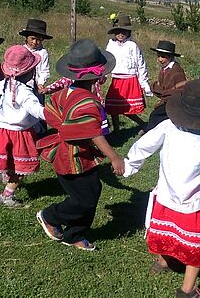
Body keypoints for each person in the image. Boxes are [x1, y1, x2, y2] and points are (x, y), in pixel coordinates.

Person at [122, 79, 200, 298]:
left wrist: (128, 166)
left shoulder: (167, 127)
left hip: (166, 196)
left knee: (168, 232)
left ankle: (163, 262)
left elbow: (143, 146)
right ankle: (187, 290)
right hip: (195, 203)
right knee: (196, 246)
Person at [36, 39, 125, 250]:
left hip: (71, 153)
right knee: (85, 199)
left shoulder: (63, 93)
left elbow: (50, 113)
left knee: (90, 192)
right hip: (73, 157)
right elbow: (94, 133)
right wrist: (114, 158)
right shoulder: (87, 101)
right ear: (98, 74)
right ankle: (51, 215)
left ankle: (74, 234)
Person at [0, 46, 45, 207]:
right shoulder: (24, 92)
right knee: (21, 168)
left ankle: (6, 174)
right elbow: (34, 108)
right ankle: (7, 196)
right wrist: (52, 116)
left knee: (11, 161)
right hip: (20, 133)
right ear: (29, 72)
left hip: (2, 132)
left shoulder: (5, 83)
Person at [104, 14, 152, 133]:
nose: (121, 34)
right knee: (113, 107)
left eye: (124, 32)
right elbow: (106, 61)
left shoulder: (132, 46)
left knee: (127, 108)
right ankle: (116, 131)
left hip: (130, 80)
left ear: (128, 32)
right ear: (115, 32)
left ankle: (142, 124)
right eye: (119, 32)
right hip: (116, 80)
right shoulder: (111, 45)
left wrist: (143, 83)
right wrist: (103, 75)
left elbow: (141, 64)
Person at [146, 40, 187, 131]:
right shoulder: (165, 69)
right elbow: (161, 85)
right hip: (167, 100)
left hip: (175, 102)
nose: (160, 59)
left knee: (155, 116)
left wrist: (165, 94)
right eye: (159, 56)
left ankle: (149, 133)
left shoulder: (176, 70)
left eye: (163, 57)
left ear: (170, 57)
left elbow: (180, 89)